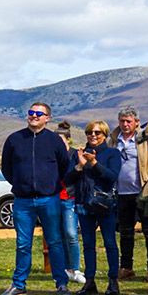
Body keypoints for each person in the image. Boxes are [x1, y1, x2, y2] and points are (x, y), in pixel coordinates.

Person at [0, 102, 71, 295]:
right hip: (23, 201)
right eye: (31, 113)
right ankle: (19, 284)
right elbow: (7, 168)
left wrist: (50, 185)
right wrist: (21, 184)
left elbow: (64, 167)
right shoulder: (14, 140)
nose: (34, 116)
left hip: (49, 199)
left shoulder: (54, 141)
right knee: (23, 243)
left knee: (55, 242)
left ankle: (61, 284)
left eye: (39, 113)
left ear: (47, 118)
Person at [64, 121, 121, 295]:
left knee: (110, 243)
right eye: (90, 132)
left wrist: (94, 163)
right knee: (88, 244)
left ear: (104, 134)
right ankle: (89, 282)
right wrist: (80, 165)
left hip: (105, 205)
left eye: (97, 132)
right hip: (84, 204)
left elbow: (111, 177)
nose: (93, 135)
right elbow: (67, 179)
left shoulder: (112, 153)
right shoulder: (79, 154)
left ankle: (113, 282)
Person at [110, 107, 148, 282]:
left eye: (128, 121)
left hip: (143, 191)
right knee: (125, 232)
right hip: (122, 193)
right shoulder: (113, 141)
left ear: (137, 123)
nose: (125, 124)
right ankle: (126, 268)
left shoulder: (144, 140)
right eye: (122, 121)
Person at [55, 121, 86, 285]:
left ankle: (75, 268)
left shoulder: (75, 155)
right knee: (58, 236)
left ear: (68, 140)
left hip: (70, 198)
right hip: (53, 199)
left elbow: (72, 177)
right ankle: (64, 269)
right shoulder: (51, 156)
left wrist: (77, 168)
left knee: (71, 234)